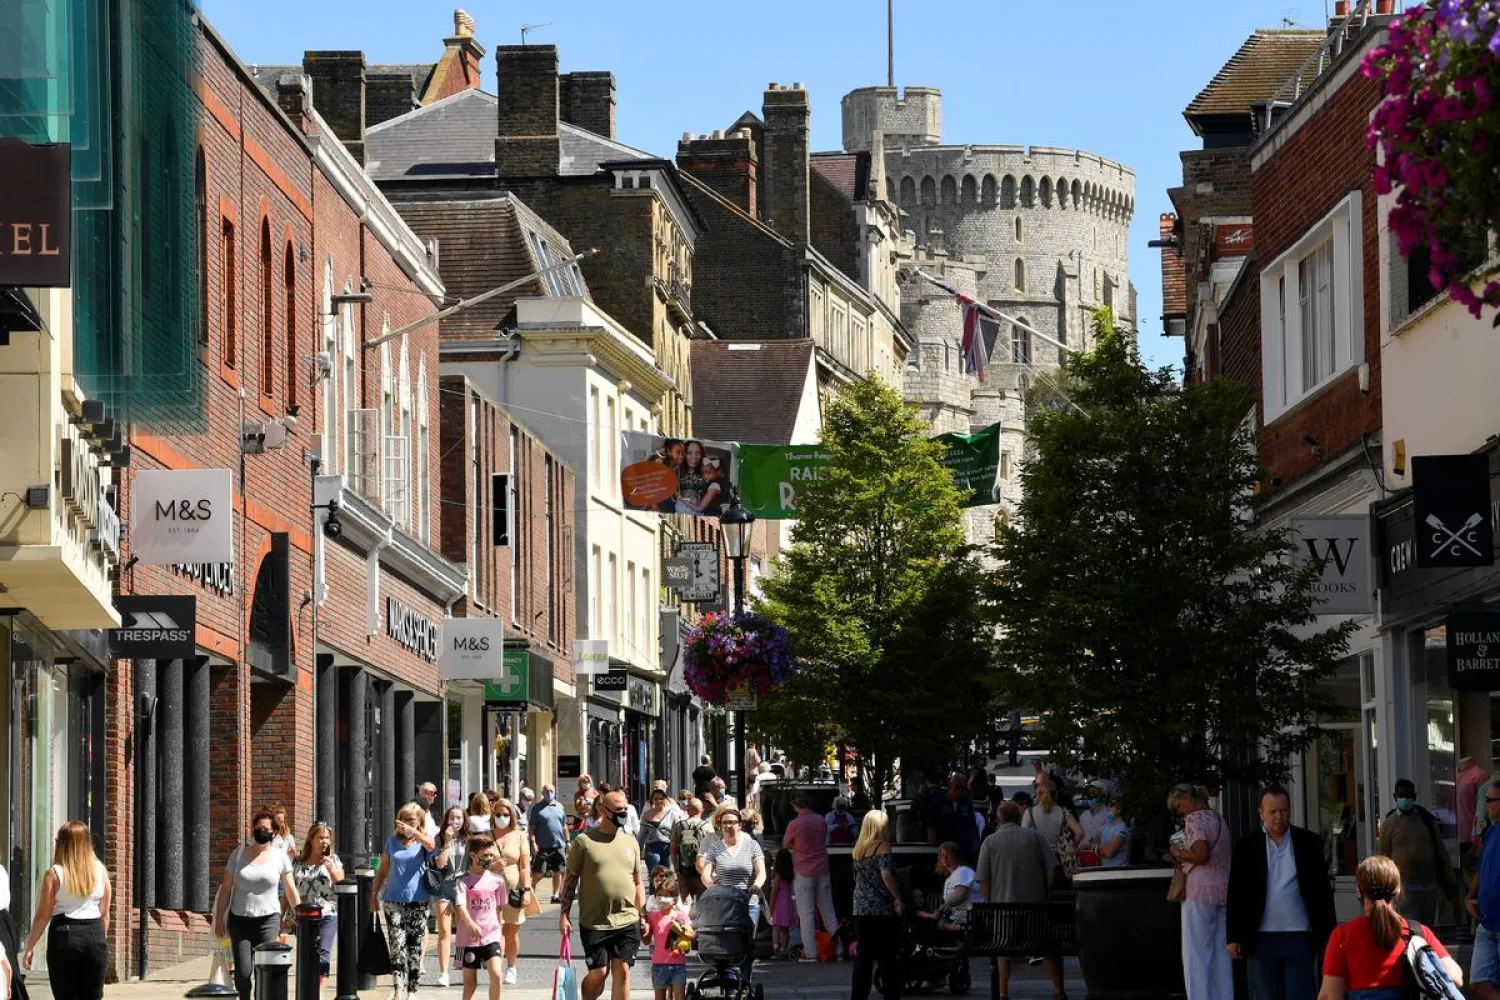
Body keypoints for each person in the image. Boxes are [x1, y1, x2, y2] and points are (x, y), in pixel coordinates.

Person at [1226, 786, 1337, 1000]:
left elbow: (1322, 892)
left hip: (1300, 934)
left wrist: (1329, 934)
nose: (1279, 817)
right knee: (1265, 995)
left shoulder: (1309, 843)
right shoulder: (1246, 846)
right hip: (1260, 936)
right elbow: (1236, 893)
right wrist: (1233, 936)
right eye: (1273, 812)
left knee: (1301, 993)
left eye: (1284, 811)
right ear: (1261, 813)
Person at [1320, 854, 1463, 998]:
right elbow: (1455, 978)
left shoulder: (1342, 936)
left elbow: (1331, 995)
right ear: (1398, 890)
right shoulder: (1417, 933)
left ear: (1358, 890)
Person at [559, 789, 648, 1000]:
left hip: (627, 919)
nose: (623, 813)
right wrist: (564, 915)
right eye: (618, 810)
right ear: (603, 809)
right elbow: (570, 880)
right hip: (594, 922)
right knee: (598, 974)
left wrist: (642, 915)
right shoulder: (584, 842)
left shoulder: (631, 842)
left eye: (625, 809)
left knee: (623, 971)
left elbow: (637, 882)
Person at [977, 800, 1064, 999]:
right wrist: (1046, 891)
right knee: (1048, 947)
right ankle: (1058, 990)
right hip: (1035, 908)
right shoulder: (1036, 837)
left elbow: (983, 880)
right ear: (1019, 817)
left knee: (1003, 950)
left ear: (998, 819)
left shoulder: (990, 842)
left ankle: (1003, 993)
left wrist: (991, 903)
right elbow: (1052, 868)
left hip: (1004, 910)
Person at [212, 811, 300, 1000]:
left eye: (266, 829)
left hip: (268, 920)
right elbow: (226, 888)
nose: (261, 832)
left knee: (265, 969)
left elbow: (290, 889)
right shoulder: (238, 854)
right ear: (253, 829)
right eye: (258, 828)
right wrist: (219, 918)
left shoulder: (280, 857)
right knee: (243, 974)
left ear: (274, 832)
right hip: (240, 920)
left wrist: (300, 914)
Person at [21, 822, 111, 1000]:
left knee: (66, 995)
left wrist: (30, 946)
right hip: (95, 935)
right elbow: (105, 911)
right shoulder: (100, 870)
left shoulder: (54, 874)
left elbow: (43, 914)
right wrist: (99, 939)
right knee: (93, 996)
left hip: (65, 935)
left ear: (62, 844)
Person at [1168, 783, 1232, 1000]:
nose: (1180, 811)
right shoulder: (1218, 818)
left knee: (1196, 952)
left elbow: (1201, 854)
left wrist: (1178, 853)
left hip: (1199, 890)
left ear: (1188, 799)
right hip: (1223, 888)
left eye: (1179, 806)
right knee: (1221, 951)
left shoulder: (1194, 819)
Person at [370, 802, 437, 1000]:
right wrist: (374, 893)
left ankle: (412, 989)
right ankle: (399, 987)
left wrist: (415, 833)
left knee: (414, 946)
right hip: (393, 900)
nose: (408, 824)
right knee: (397, 944)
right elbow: (382, 870)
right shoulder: (391, 842)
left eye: (412, 820)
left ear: (419, 822)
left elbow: (432, 846)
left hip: (419, 899)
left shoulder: (424, 842)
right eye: (405, 820)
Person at [1378, 777, 1458, 927]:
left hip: (1429, 885)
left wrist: (1450, 879)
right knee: (1409, 927)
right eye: (1401, 796)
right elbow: (1384, 857)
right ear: (1395, 797)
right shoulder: (1389, 824)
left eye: (1408, 796)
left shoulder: (1426, 820)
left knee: (1426, 928)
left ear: (1414, 797)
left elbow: (1440, 850)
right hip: (1404, 887)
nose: (1405, 799)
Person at [850, 810, 903, 1000]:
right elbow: (886, 875)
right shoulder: (883, 848)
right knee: (887, 957)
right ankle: (891, 995)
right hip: (881, 909)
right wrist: (897, 897)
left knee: (863, 957)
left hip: (860, 908)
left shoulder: (858, 850)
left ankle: (858, 996)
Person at [782, 793, 839, 964]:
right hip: (823, 867)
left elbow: (786, 844)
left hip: (803, 869)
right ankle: (840, 948)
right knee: (828, 910)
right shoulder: (821, 820)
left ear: (795, 805)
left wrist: (795, 845)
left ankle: (811, 953)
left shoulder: (795, 823)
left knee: (805, 913)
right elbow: (826, 839)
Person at [291, 823, 344, 991]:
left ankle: (319, 991)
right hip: (304, 916)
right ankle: (308, 988)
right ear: (311, 839)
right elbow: (289, 889)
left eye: (327, 838)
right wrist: (282, 913)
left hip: (328, 913)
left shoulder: (333, 860)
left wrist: (331, 869)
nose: (324, 841)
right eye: (320, 838)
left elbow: (341, 886)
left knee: (323, 951)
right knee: (307, 953)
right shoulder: (298, 863)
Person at [698, 806, 767, 928]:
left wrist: (757, 885)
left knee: (747, 937)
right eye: (724, 823)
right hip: (724, 901)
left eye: (731, 822)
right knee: (728, 936)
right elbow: (705, 874)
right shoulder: (715, 847)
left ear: (739, 825)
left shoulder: (752, 845)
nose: (727, 826)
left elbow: (761, 871)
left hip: (748, 899)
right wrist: (713, 888)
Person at [487, 798, 532, 986]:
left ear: (511, 816)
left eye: (505, 815)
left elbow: (524, 865)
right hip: (489, 889)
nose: (501, 818)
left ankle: (511, 967)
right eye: (498, 814)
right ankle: (496, 968)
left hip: (514, 889)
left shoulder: (519, 836)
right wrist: (491, 864)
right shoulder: (486, 836)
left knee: (512, 930)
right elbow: (475, 863)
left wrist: (527, 889)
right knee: (496, 929)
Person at [455, 834, 506, 1000]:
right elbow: (460, 905)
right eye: (485, 856)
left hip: (491, 936)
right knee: (470, 983)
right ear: (473, 856)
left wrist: (500, 936)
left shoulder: (498, 882)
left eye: (491, 855)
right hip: (468, 938)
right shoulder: (462, 881)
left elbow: (499, 911)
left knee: (497, 975)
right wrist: (470, 924)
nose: (489, 859)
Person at [1466, 781, 1500, 1000]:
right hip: (1486, 921)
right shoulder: (1490, 832)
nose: (1485, 805)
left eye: (1489, 800)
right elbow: (1481, 867)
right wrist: (1469, 896)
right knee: (1479, 982)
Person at [432, 806, 468, 987]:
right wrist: (447, 841)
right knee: (444, 932)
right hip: (443, 887)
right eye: (452, 818)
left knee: (463, 930)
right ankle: (443, 972)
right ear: (446, 820)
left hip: (463, 887)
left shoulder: (468, 839)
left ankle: (460, 965)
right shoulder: (439, 838)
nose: (456, 821)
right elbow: (439, 864)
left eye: (459, 818)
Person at [1022, 778, 1083, 886]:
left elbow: (1023, 837)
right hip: (1059, 860)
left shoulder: (1030, 812)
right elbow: (1080, 832)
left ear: (1038, 793)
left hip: (1037, 859)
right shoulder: (1062, 811)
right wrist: (1070, 846)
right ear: (1055, 794)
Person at [643, 872, 693, 1000]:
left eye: (666, 895)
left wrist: (680, 930)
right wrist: (643, 927)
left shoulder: (680, 916)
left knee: (679, 996)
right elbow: (646, 940)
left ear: (674, 899)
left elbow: (693, 935)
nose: (661, 898)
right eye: (659, 895)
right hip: (659, 965)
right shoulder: (653, 916)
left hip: (678, 965)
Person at [919, 841, 976, 932]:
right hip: (956, 915)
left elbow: (960, 895)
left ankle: (966, 930)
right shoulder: (949, 879)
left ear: (956, 856)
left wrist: (941, 908)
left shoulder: (963, 871)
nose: (944, 858)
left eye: (948, 854)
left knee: (931, 925)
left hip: (970, 914)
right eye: (941, 855)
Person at [530, 784, 570, 903]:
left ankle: (556, 895)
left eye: (551, 791)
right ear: (542, 793)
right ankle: (529, 890)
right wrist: (533, 842)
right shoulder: (537, 808)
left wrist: (567, 841)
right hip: (542, 846)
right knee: (539, 873)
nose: (549, 793)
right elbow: (532, 828)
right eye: (546, 791)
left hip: (558, 845)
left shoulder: (559, 806)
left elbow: (564, 826)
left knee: (559, 871)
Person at [670, 797, 710, 900]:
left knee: (685, 902)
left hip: (684, 870)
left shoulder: (679, 826)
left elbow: (673, 849)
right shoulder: (707, 826)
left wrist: (677, 869)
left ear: (687, 810)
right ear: (702, 809)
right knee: (702, 901)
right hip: (701, 871)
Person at [639, 788, 682, 875]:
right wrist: (637, 850)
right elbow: (642, 835)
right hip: (652, 847)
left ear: (665, 799)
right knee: (655, 873)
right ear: (652, 800)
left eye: (661, 798)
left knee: (667, 875)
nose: (658, 801)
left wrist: (679, 848)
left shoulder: (672, 814)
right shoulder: (646, 815)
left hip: (668, 847)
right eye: (656, 799)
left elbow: (677, 832)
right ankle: (653, 888)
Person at [1460, 757, 1488, 885]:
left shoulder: (1478, 775)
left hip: (1471, 839)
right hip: (1455, 835)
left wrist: (1478, 838)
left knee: (1475, 879)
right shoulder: (1457, 775)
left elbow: (1484, 808)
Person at [768, 849, 797, 959]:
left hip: (779, 902)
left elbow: (774, 891)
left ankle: (776, 948)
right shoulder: (790, 874)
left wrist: (771, 906)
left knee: (776, 926)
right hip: (787, 902)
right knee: (785, 928)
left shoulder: (778, 875)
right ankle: (783, 948)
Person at [1092, 794, 1131, 870]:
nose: (1108, 807)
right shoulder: (1106, 824)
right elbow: (1095, 840)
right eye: (1107, 804)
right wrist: (1097, 847)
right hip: (1105, 869)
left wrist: (1094, 848)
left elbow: (1108, 852)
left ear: (1120, 809)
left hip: (1119, 871)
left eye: (1111, 805)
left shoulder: (1123, 828)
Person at [915, 776, 945, 846]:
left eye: (934, 789)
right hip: (924, 831)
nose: (931, 791)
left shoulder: (941, 799)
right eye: (929, 788)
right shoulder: (922, 798)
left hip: (936, 832)